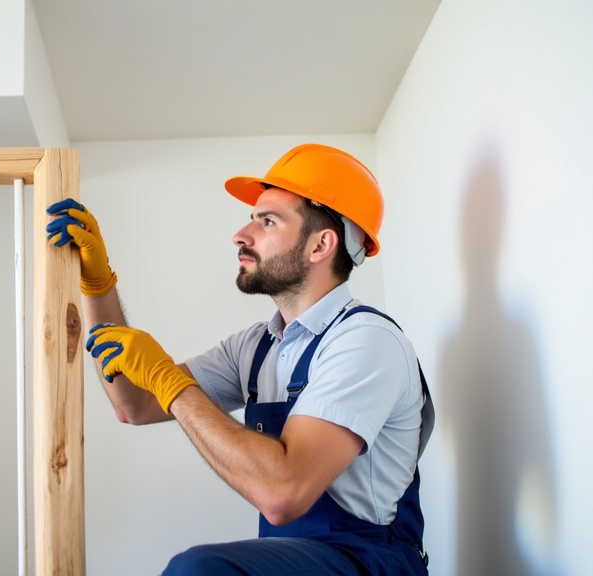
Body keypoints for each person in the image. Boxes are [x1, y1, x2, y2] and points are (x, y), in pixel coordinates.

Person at [46, 144, 433, 576]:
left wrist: (170, 381)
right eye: (252, 218)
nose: (241, 235)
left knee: (200, 569)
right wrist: (98, 285)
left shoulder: (366, 342)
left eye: (267, 221)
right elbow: (135, 403)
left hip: (370, 562)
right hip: (295, 558)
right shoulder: (256, 346)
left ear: (321, 244)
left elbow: (284, 493)